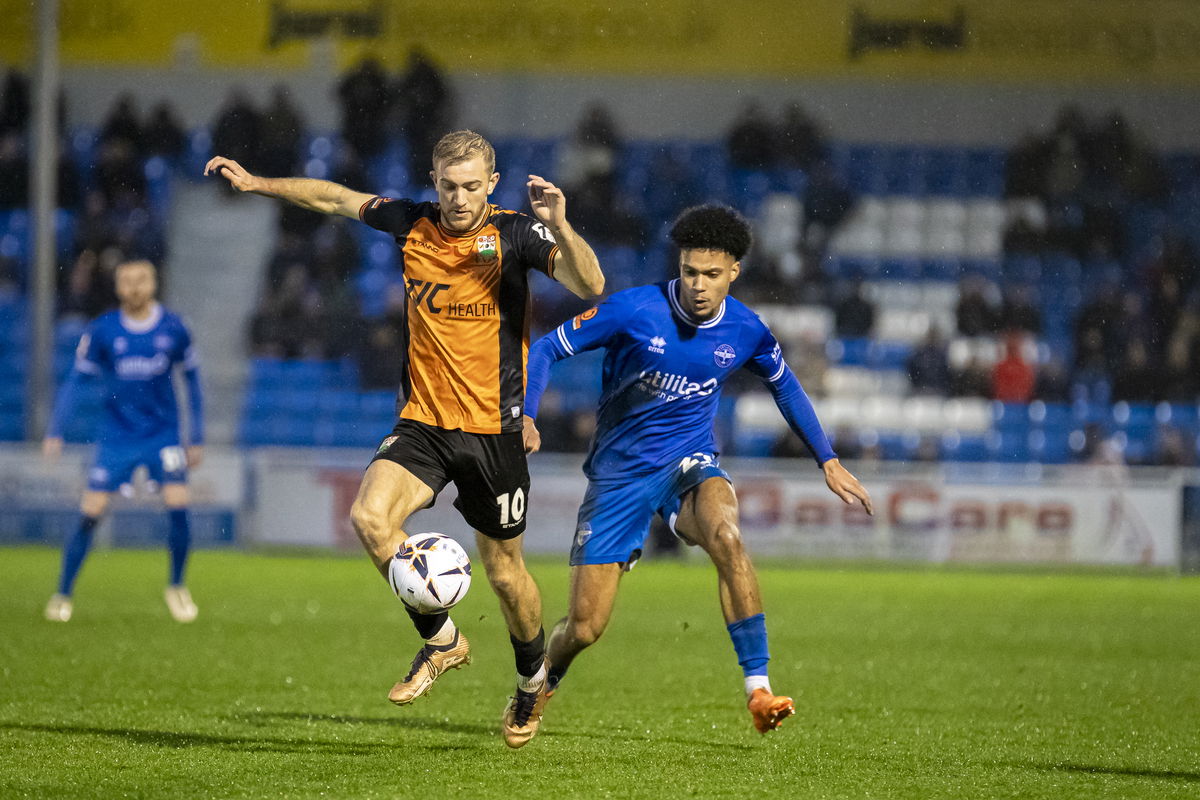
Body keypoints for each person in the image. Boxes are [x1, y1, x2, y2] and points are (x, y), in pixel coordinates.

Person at [204, 129, 604, 748]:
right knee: (369, 518)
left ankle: (531, 682)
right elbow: (334, 198)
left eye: (471, 186)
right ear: (433, 182)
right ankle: (442, 640)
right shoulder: (412, 223)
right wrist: (259, 184)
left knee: (505, 574)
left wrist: (561, 224)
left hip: (494, 431)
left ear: (491, 184)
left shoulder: (518, 233)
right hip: (423, 422)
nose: (459, 199)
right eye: (448, 186)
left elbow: (591, 285)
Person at [522, 204, 873, 733]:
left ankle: (758, 690)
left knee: (727, 537)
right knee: (585, 628)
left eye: (711, 274)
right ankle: (542, 680)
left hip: (689, 462)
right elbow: (547, 347)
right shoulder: (634, 310)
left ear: (734, 271)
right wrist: (527, 415)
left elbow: (785, 386)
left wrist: (828, 458)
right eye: (690, 272)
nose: (699, 285)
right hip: (620, 476)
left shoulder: (746, 329)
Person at [43, 259, 205, 623]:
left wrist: (196, 436)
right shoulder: (103, 330)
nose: (134, 287)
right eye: (127, 281)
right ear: (117, 287)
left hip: (164, 435)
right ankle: (63, 593)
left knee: (179, 505)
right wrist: (55, 429)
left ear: (153, 283)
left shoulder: (175, 328)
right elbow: (76, 381)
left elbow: (193, 381)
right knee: (91, 512)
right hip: (117, 436)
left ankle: (177, 586)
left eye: (141, 279)